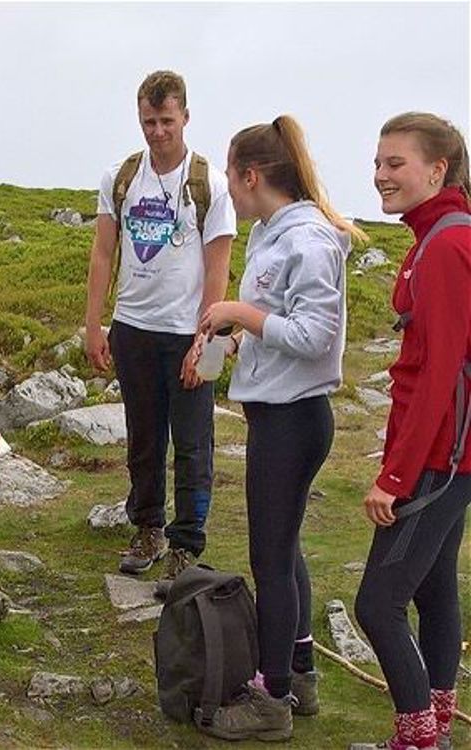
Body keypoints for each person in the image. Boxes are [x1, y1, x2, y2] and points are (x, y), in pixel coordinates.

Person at [196, 115, 365, 741]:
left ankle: (271, 700)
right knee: (284, 548)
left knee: (270, 557)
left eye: (231, 179)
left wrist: (241, 312)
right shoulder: (274, 234)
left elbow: (316, 337)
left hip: (295, 418)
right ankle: (299, 671)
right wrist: (240, 338)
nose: (228, 195)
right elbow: (284, 320)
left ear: (251, 175)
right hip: (277, 410)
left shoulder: (309, 241)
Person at [84, 69, 236, 582]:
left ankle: (187, 544)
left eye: (166, 121)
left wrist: (205, 344)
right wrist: (93, 324)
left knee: (194, 442)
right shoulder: (121, 178)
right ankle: (147, 527)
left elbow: (219, 269)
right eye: (148, 121)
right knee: (142, 438)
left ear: (186, 117)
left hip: (192, 332)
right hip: (133, 328)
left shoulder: (210, 183)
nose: (157, 132)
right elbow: (103, 253)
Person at [350, 113, 471, 750]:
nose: (380, 176)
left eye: (395, 164)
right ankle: (436, 730)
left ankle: (418, 739)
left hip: (441, 459)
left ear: (437, 170)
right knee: (433, 588)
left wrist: (394, 477)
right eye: (378, 163)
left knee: (377, 604)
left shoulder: (448, 246)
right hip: (454, 454)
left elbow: (442, 370)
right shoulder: (439, 236)